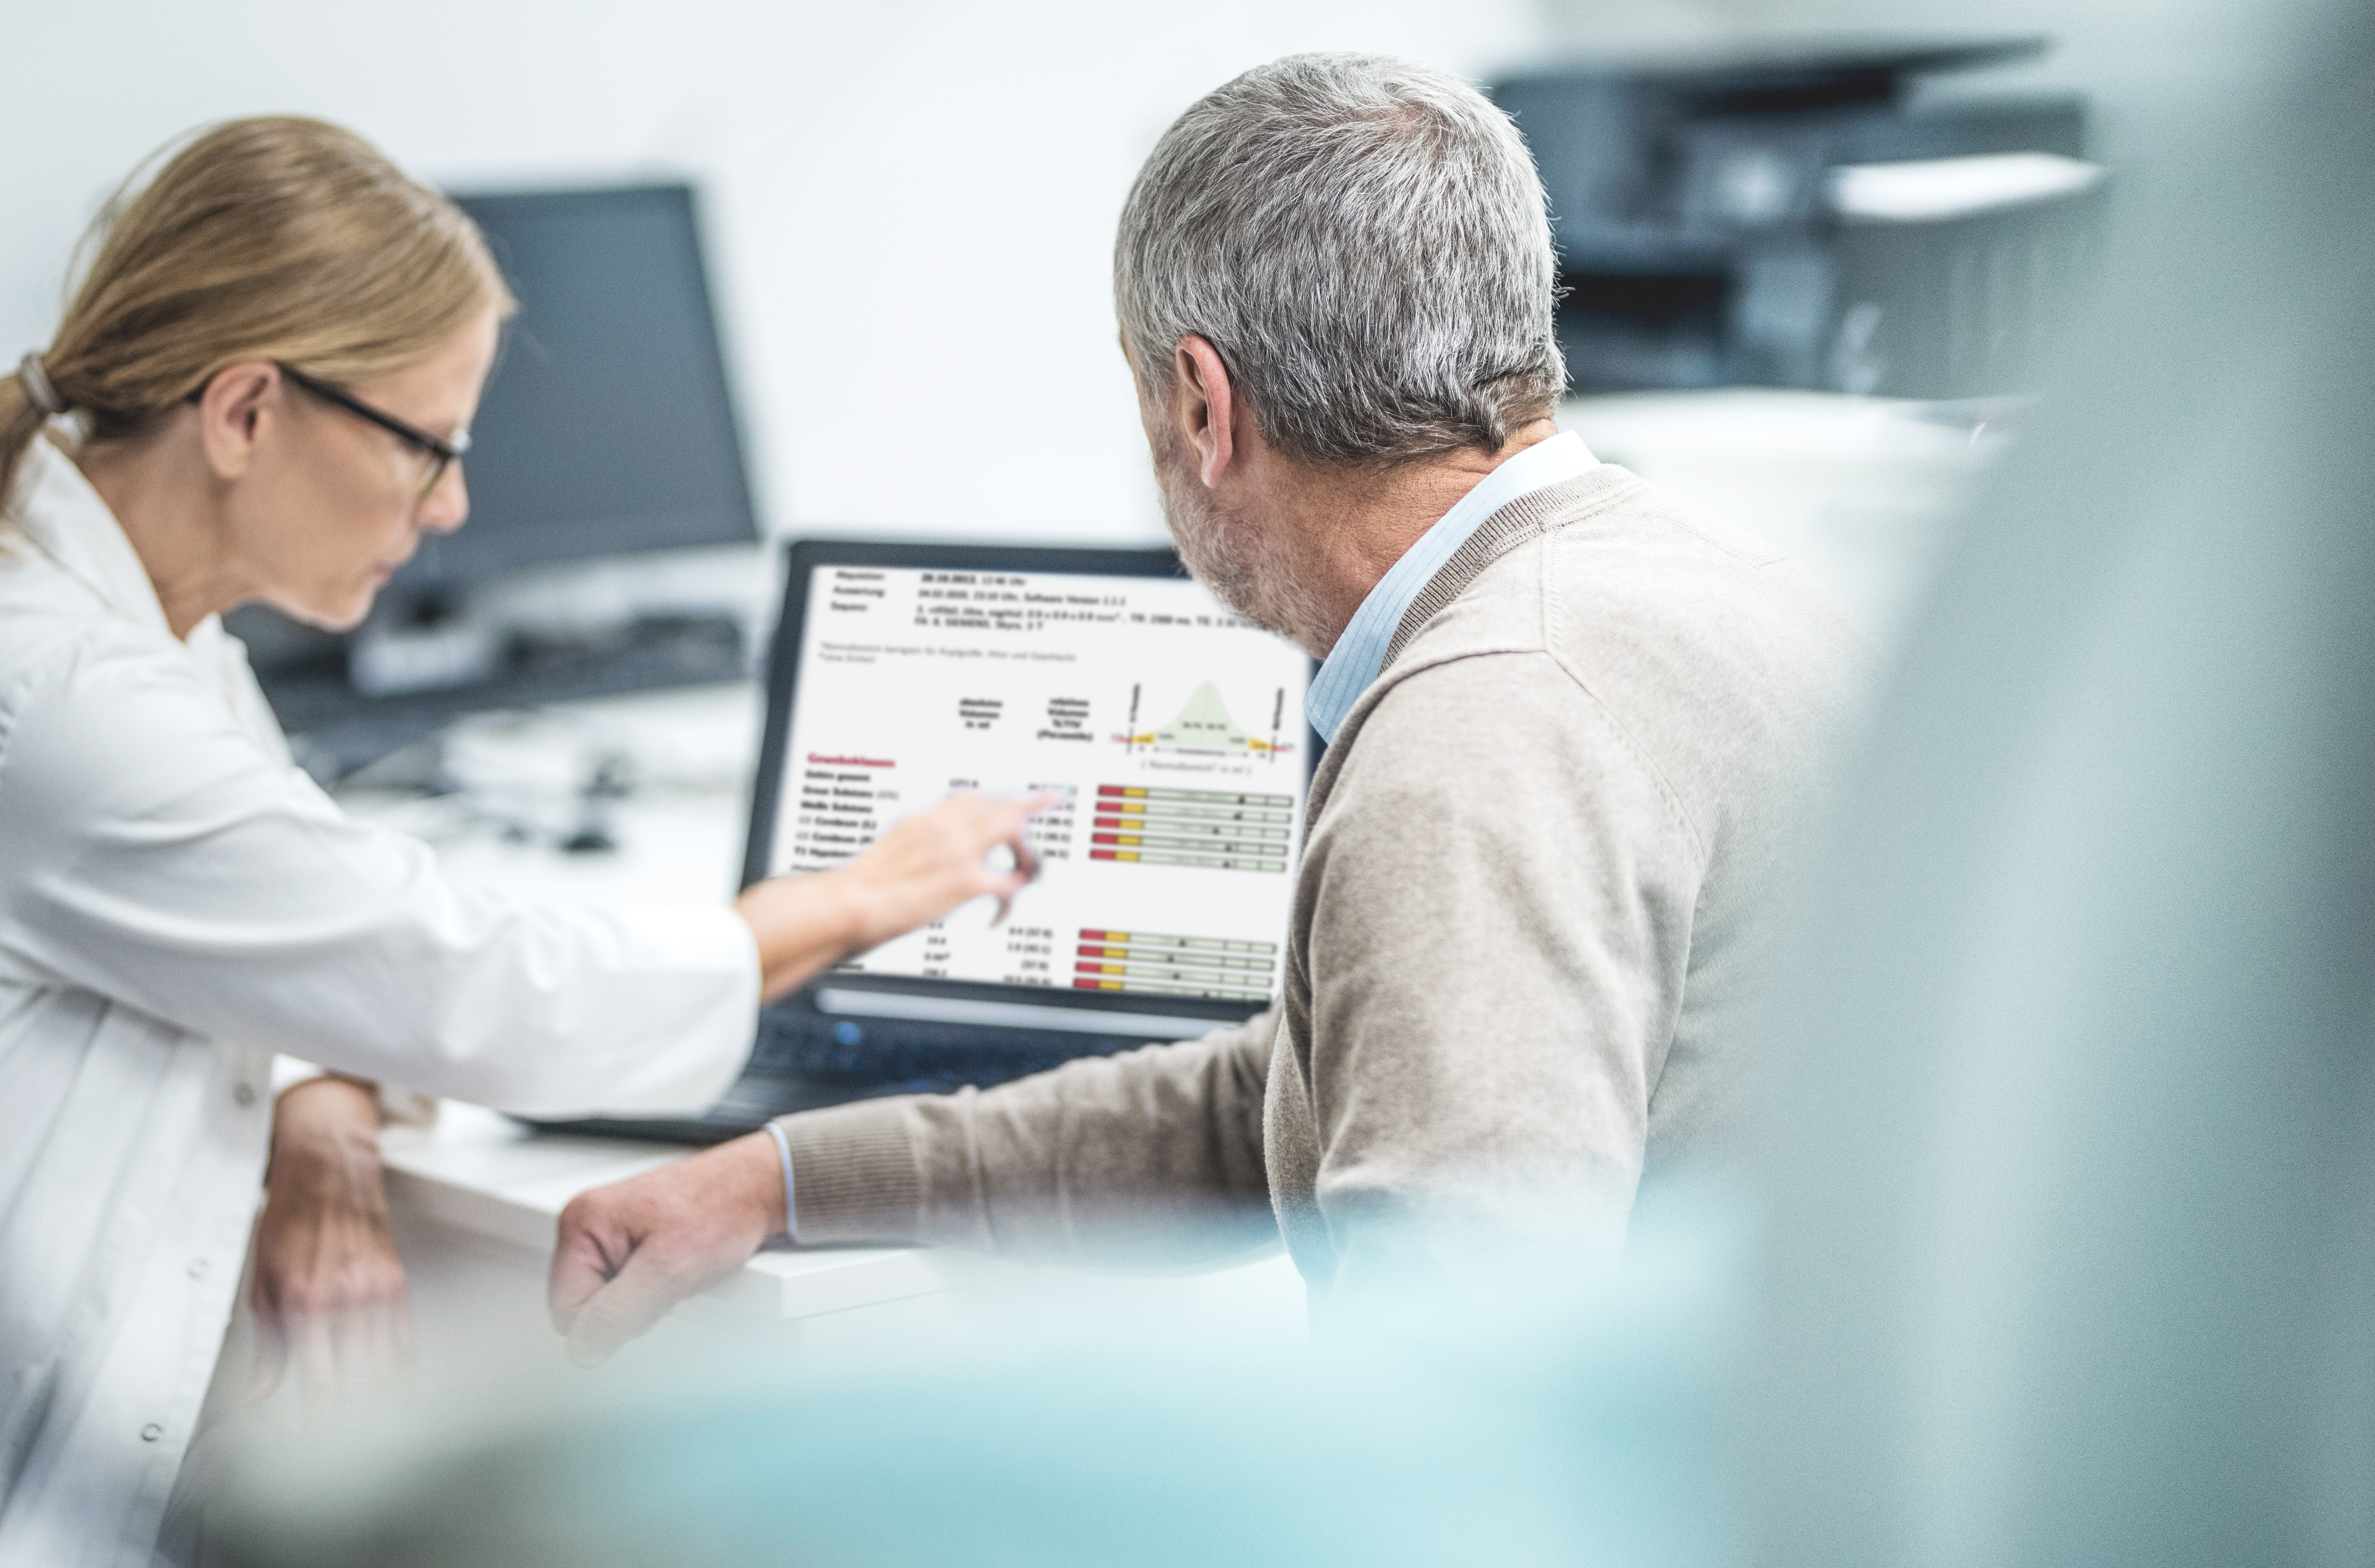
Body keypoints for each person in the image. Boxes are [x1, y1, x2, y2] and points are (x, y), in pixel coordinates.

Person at [0, 117, 1047, 1568]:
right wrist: (858, 898)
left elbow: (290, 904)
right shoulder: (40, 690)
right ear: (246, 408)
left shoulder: (146, 630)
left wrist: (318, 1125)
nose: (452, 507)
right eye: (428, 446)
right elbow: (471, 981)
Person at [549, 51, 1864, 1355]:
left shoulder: (1476, 736)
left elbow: (1457, 1384)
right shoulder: (1706, 577)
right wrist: (778, 1179)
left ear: (1201, 403)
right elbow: (1291, 1092)